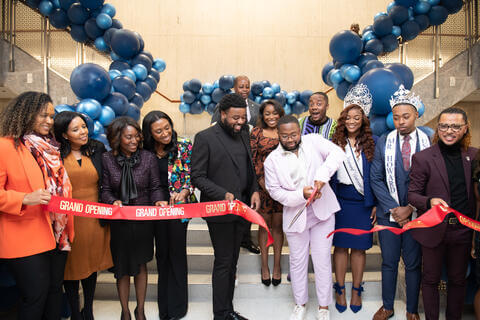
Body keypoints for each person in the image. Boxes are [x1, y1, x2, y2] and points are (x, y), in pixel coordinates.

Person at [0, 91, 74, 320]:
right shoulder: (5, 146)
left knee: (53, 292)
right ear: (25, 113)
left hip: (54, 234)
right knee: (35, 296)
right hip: (22, 236)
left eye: (52, 116)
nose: (49, 121)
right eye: (43, 115)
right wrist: (23, 198)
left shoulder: (48, 147)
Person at [264, 115, 345, 320]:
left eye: (294, 134)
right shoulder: (272, 160)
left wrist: (322, 176)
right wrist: (302, 194)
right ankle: (300, 304)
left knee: (322, 260)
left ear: (300, 131)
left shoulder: (314, 141)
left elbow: (337, 153)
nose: (291, 139)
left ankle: (324, 307)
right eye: (285, 136)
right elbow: (275, 192)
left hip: (323, 214)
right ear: (278, 135)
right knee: (297, 261)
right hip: (295, 216)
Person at [191, 93, 260, 320]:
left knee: (233, 262)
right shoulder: (205, 137)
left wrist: (255, 191)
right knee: (223, 262)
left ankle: (228, 310)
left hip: (241, 210)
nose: (240, 122)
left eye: (243, 118)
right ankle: (220, 314)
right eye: (235, 118)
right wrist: (223, 194)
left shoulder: (244, 133)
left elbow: (249, 167)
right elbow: (198, 177)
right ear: (222, 114)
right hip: (219, 211)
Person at [408, 107, 477, 320]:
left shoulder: (474, 156)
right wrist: (429, 201)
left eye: (456, 126)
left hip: (463, 231)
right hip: (434, 230)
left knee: (458, 280)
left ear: (465, 129)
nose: (449, 131)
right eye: (444, 126)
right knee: (430, 279)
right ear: (438, 128)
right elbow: (412, 195)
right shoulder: (423, 158)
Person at [370, 85, 430, 320]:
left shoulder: (429, 140)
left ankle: (412, 309)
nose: (401, 121)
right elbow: (375, 177)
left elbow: (433, 180)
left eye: (406, 116)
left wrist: (411, 208)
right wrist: (393, 209)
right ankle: (387, 306)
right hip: (390, 214)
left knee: (414, 264)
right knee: (389, 262)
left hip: (418, 214)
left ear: (416, 115)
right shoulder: (384, 140)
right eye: (396, 117)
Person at [101, 116, 165, 320]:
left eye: (137, 136)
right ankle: (125, 311)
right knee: (121, 268)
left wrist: (158, 201)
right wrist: (113, 201)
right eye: (129, 137)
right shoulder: (107, 159)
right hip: (119, 222)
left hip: (143, 221)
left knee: (140, 265)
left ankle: (140, 309)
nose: (134, 141)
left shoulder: (148, 158)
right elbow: (104, 190)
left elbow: (155, 186)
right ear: (117, 138)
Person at [53, 111, 113, 320]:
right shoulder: (55, 154)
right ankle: (74, 311)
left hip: (95, 217)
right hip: (68, 220)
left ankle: (88, 309)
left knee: (91, 264)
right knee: (71, 267)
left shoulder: (96, 148)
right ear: (64, 134)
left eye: (84, 127)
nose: (83, 132)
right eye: (76, 129)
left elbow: (106, 179)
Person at [142, 111, 195, 320]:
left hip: (178, 207)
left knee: (176, 254)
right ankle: (164, 304)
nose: (165, 134)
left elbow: (193, 172)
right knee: (161, 254)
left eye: (167, 128)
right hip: (153, 207)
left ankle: (178, 306)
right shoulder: (144, 149)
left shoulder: (183, 144)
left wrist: (185, 191)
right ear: (149, 133)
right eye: (158, 131)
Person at [330, 84, 377, 314]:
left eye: (356, 117)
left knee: (359, 249)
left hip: (362, 203)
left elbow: (378, 177)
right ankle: (339, 288)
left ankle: (357, 290)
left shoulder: (372, 142)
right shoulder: (335, 141)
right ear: (343, 119)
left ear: (363, 120)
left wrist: (375, 203)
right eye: (348, 117)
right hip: (340, 201)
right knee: (339, 247)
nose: (351, 121)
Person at [211, 75, 261, 255]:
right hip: (228, 162)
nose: (245, 89)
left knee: (246, 206)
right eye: (241, 86)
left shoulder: (256, 107)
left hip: (248, 157)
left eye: (248, 86)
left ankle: (245, 239)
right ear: (234, 88)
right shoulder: (222, 106)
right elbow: (215, 129)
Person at [250, 100, 285, 286]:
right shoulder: (256, 132)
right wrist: (263, 185)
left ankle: (277, 266)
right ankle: (264, 266)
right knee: (264, 226)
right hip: (262, 187)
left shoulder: (285, 130)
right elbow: (253, 160)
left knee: (278, 227)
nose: (271, 117)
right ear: (262, 116)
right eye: (267, 114)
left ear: (280, 113)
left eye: (274, 113)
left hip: (283, 188)